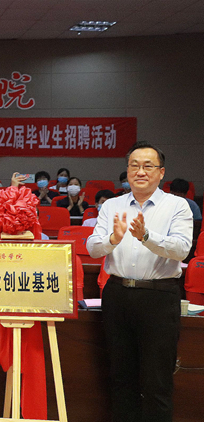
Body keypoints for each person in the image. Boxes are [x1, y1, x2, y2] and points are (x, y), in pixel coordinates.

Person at [87, 142, 193, 422]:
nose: (140, 171)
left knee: (157, 381)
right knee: (121, 378)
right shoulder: (112, 205)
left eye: (148, 166)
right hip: (117, 295)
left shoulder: (177, 205)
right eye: (134, 165)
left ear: (161, 172)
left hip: (159, 298)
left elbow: (182, 249)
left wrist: (146, 236)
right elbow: (93, 247)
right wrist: (112, 239)